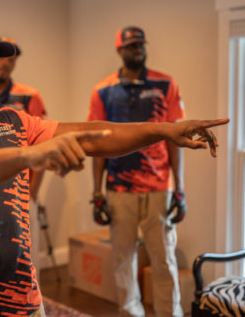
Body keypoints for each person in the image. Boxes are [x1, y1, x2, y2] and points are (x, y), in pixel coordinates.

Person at [0, 17, 227, 317]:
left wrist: (165, 129)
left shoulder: (14, 122)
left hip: (24, 302)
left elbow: (93, 136)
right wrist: (27, 157)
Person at [87, 26, 186, 317]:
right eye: (130, 46)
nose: (137, 50)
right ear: (119, 50)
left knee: (164, 261)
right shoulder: (103, 91)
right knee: (123, 262)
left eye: (140, 45)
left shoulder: (166, 84)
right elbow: (97, 144)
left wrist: (179, 189)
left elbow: (175, 139)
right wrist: (96, 192)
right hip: (119, 190)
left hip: (159, 188)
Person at [0, 36, 47, 281]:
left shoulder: (28, 96)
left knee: (27, 256)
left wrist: (33, 190)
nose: (6, 63)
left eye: (12, 59)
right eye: (1, 57)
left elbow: (43, 143)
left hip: (22, 189)